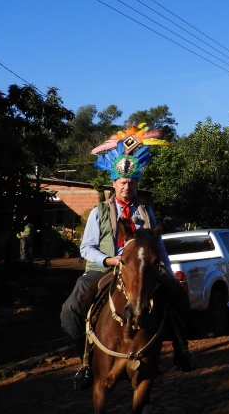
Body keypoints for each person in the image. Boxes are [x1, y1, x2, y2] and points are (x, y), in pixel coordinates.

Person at [60, 124, 196, 391]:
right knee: (71, 309)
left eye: (131, 182)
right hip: (104, 268)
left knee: (176, 295)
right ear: (114, 183)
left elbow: (159, 246)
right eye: (122, 182)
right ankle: (85, 362)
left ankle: (182, 349)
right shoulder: (99, 211)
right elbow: (86, 248)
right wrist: (110, 261)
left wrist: (167, 270)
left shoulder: (145, 210)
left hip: (143, 268)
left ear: (136, 183)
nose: (127, 187)